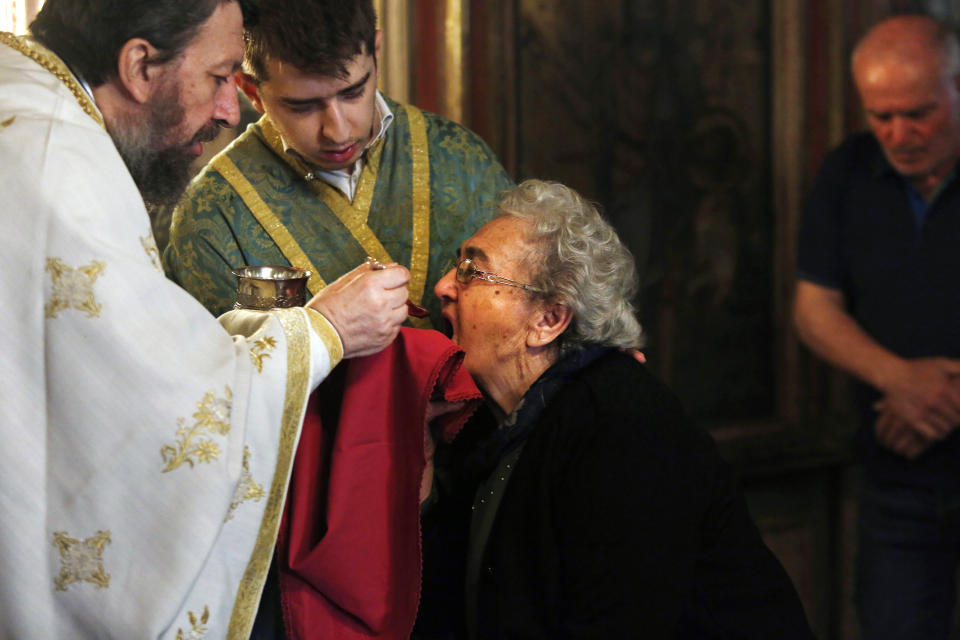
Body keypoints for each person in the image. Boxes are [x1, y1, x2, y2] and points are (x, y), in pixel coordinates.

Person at [0, 0, 410, 636]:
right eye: (220, 77)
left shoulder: (25, 101)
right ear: (139, 65)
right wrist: (322, 332)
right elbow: (161, 415)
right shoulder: (60, 168)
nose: (230, 110)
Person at [416, 179, 814, 639]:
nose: (444, 286)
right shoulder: (492, 421)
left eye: (472, 272)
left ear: (547, 321)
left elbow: (620, 622)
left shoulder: (620, 424)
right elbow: (453, 607)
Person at [162, 0, 513, 329]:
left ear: (376, 53)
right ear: (252, 92)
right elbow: (223, 378)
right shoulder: (211, 215)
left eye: (352, 93)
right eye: (303, 107)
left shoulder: (462, 159)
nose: (338, 131)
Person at [794, 14, 960, 640]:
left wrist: (944, 397)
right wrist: (901, 379)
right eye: (881, 115)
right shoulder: (849, 170)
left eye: (918, 113)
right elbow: (814, 308)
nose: (899, 133)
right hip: (897, 467)